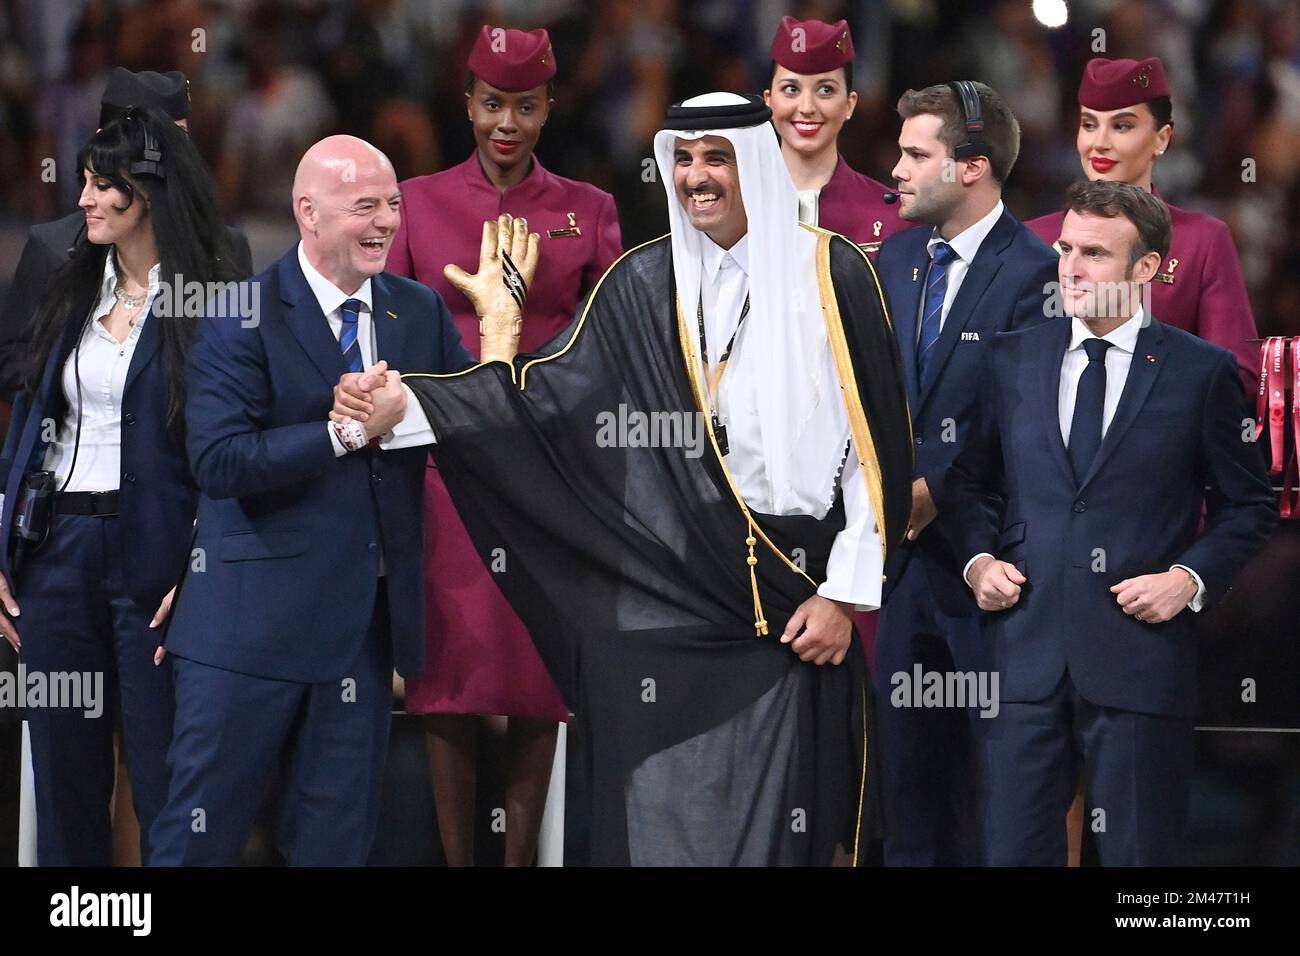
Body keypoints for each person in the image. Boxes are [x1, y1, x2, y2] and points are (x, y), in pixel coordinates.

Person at [338, 93, 913, 865]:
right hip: (673, 601)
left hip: (798, 602)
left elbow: (877, 451)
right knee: (664, 823)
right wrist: (405, 405)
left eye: (717, 158)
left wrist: (842, 593)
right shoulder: (644, 283)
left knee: (787, 831)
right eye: (683, 158)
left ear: (759, 165)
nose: (696, 176)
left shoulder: (836, 274)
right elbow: (547, 401)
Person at [147, 135, 483, 866]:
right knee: (198, 841)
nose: (386, 222)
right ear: (308, 212)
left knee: (334, 847)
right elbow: (219, 460)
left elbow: (476, 418)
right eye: (365, 206)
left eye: (393, 204)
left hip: (358, 643)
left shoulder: (418, 312)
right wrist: (345, 432)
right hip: (246, 631)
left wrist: (498, 345)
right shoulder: (242, 310)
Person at [947, 180, 1275, 865]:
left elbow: (1250, 505)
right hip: (1023, 658)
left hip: (1140, 662)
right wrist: (978, 560)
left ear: (1146, 268)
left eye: (1094, 253)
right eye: (1066, 248)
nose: (1070, 266)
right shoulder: (1010, 357)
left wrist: (1188, 580)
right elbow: (969, 484)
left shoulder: (1202, 373)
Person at [385, 24, 622, 867]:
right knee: (448, 680)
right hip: (444, 475)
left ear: (549, 106)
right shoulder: (415, 203)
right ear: (468, 104)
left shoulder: (588, 211)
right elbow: (392, 338)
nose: (506, 123)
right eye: (492, 105)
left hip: (542, 479)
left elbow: (610, 353)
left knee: (534, 680)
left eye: (524, 106)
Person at [0, 106, 243, 865]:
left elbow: (226, 445)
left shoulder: (206, 299)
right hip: (57, 555)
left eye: (105, 186)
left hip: (157, 557)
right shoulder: (67, 282)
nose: (84, 200)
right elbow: (25, 420)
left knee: (168, 777)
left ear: (147, 194)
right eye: (83, 182)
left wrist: (203, 560)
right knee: (64, 779)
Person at [871, 81, 1059, 866]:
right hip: (901, 566)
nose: (897, 170)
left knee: (1000, 798)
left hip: (997, 567)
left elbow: (1029, 415)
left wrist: (935, 490)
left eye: (917, 154)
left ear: (973, 166)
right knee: (908, 790)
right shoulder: (899, 255)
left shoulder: (1039, 271)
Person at [0, 68, 253, 399]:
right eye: (156, 146)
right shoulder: (54, 247)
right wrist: (92, 385)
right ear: (106, 142)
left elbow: (244, 364)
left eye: (180, 142)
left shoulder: (224, 247)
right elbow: (10, 362)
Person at [1025, 57, 1258, 391]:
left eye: (1122, 126)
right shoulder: (1033, 237)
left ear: (1162, 138)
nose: (1099, 142)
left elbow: (1238, 374)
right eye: (1089, 124)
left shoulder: (1202, 240)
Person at [763, 16, 906, 256]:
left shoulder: (893, 215)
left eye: (825, 90)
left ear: (850, 104)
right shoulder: (736, 207)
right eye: (791, 89)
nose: (807, 107)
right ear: (768, 101)